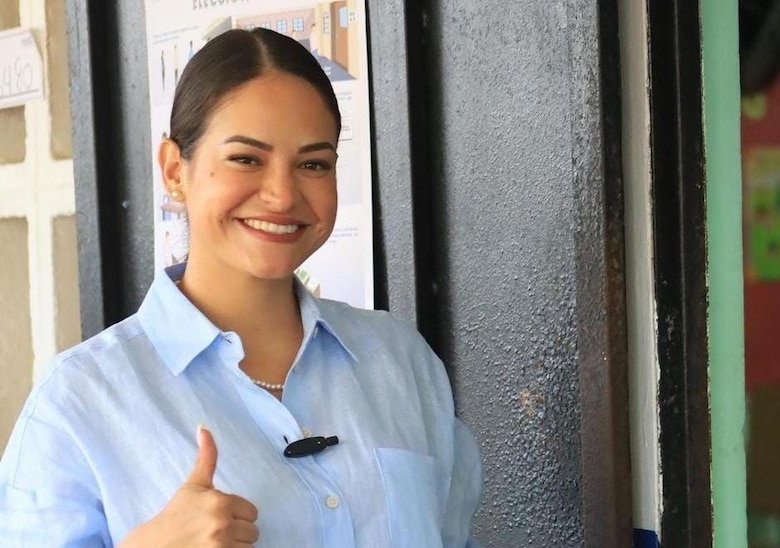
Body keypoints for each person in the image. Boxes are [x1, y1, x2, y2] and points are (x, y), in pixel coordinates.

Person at [0, 28, 482, 547]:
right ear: (174, 170)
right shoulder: (80, 402)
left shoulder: (400, 361)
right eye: (246, 159)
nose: (282, 195)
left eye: (313, 164)